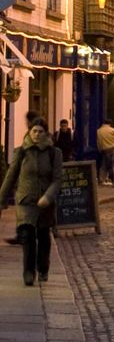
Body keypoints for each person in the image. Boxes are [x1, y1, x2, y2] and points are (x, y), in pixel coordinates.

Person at [0, 118, 63, 285]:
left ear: (46, 133)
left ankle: (43, 268)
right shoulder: (21, 152)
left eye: (40, 131)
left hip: (45, 202)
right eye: (34, 131)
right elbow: (10, 177)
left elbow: (57, 180)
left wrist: (48, 197)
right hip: (25, 200)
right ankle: (28, 272)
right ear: (29, 132)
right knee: (27, 235)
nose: (36, 134)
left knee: (43, 235)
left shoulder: (54, 153)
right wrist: (1, 199)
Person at [96, 118, 114, 186]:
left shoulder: (99, 131)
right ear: (110, 124)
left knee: (104, 166)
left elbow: (98, 142)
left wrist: (100, 149)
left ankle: (101, 180)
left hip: (105, 150)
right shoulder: (113, 130)